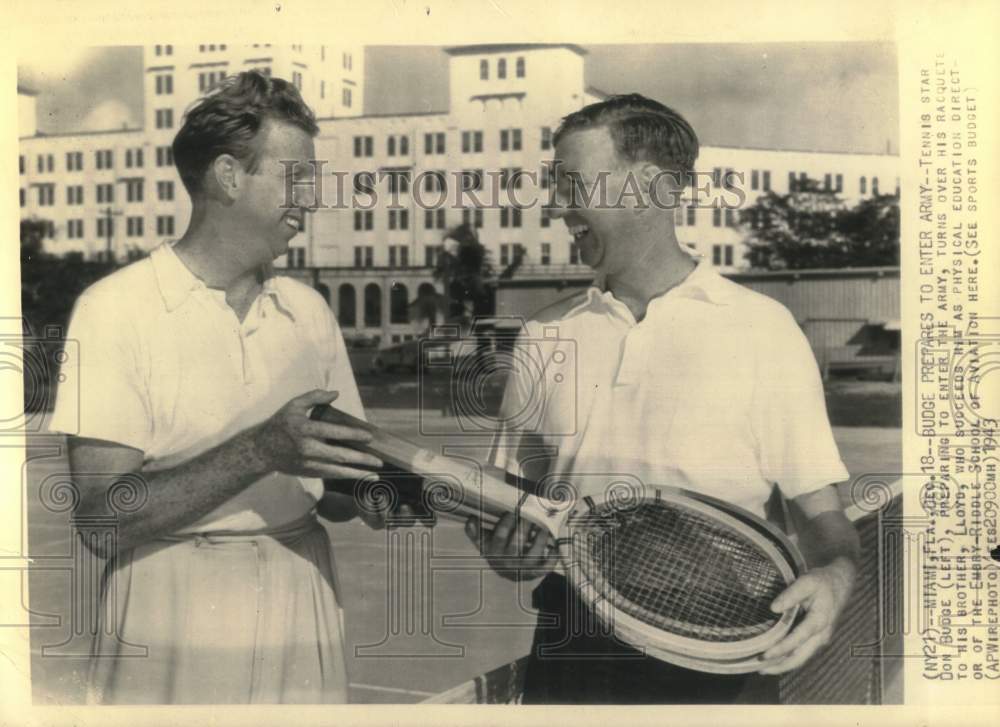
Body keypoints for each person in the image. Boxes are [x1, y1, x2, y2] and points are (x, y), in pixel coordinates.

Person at [464, 94, 861, 704]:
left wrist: (835, 574)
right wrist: (508, 552)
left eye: (573, 184)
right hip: (573, 655)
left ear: (648, 187)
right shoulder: (545, 334)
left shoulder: (763, 328)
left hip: (725, 664)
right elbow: (510, 498)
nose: (556, 204)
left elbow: (820, 510)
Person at [48, 71, 400, 704]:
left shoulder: (310, 310)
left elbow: (339, 492)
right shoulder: (114, 308)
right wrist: (260, 450)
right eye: (296, 177)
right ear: (229, 176)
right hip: (168, 608)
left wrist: (381, 493)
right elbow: (101, 519)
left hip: (303, 597)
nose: (312, 199)